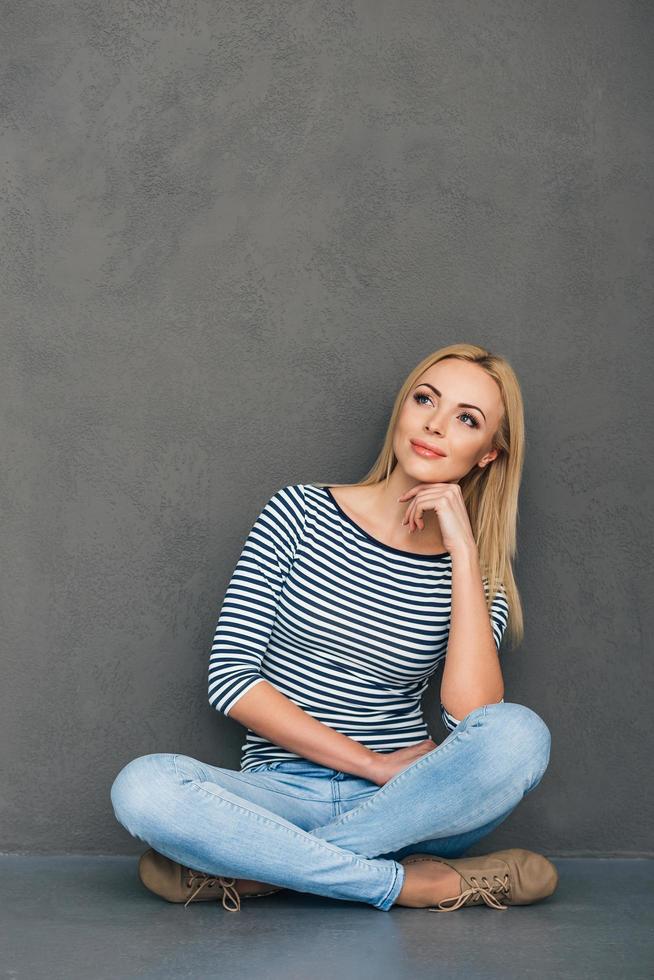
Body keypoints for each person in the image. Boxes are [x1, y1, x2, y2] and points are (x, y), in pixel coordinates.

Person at [110, 342, 558, 913]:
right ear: (403, 409)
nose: (435, 425)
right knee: (143, 788)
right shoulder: (297, 512)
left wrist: (464, 552)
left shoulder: (476, 575)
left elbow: (474, 720)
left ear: (487, 456)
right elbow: (232, 681)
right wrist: (369, 763)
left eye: (466, 419)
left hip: (409, 805)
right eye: (426, 399)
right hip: (278, 794)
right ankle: (411, 885)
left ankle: (263, 872)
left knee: (520, 733)